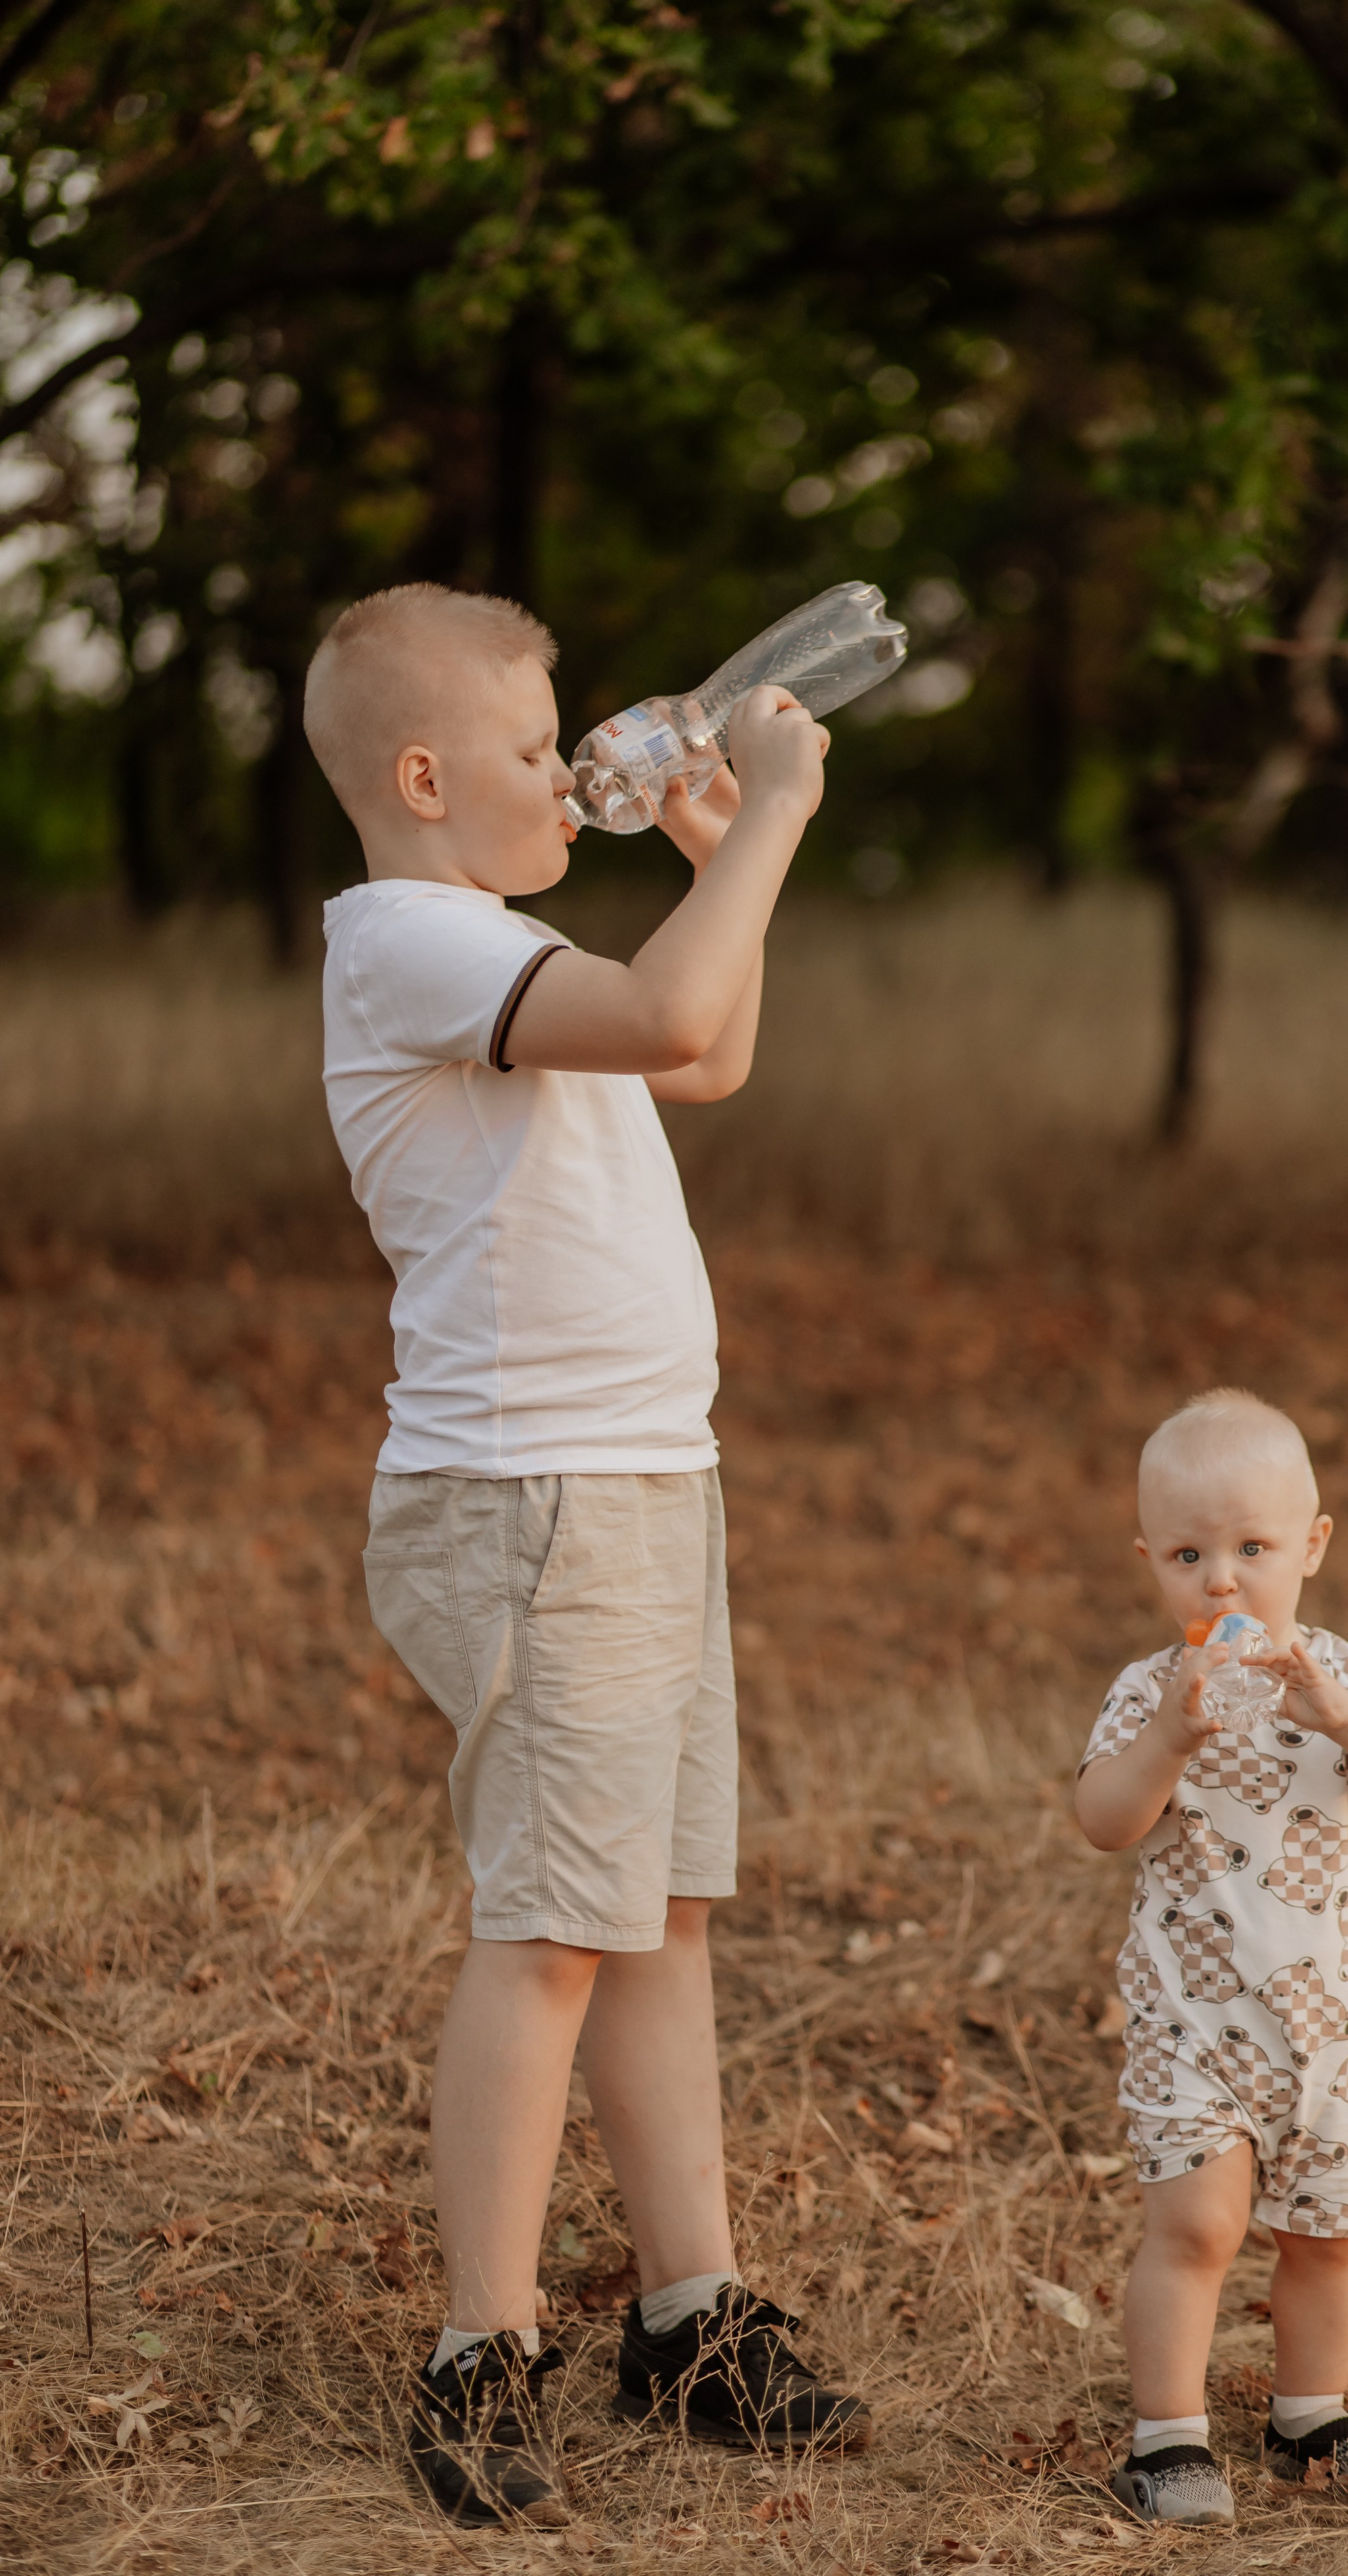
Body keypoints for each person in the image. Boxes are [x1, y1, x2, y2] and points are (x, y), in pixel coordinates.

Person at [305, 583, 869, 2529]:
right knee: (552, 1928)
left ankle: (689, 2319)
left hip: (636, 1481)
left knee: (652, 1915)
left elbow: (698, 1057)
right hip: (534, 1501)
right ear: (423, 778)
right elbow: (675, 1008)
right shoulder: (404, 942)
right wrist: (780, 809)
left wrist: (722, 863)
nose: (575, 771)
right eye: (541, 748)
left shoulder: (499, 944)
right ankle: (480, 2343)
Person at [1073, 1388, 1348, 2528]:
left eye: (1252, 1548)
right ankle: (1167, 2439)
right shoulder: (1153, 1693)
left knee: (1330, 2233)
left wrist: (1343, 1714)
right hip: (1194, 2024)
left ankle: (1311, 2415)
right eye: (1188, 1554)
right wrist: (1169, 1740)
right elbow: (1101, 1818)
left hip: (1330, 2029)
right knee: (1198, 2225)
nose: (1221, 1580)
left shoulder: (1346, 1675)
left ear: (1313, 1548)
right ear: (1151, 1562)